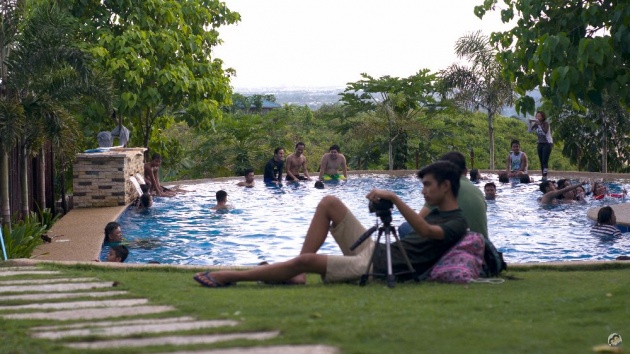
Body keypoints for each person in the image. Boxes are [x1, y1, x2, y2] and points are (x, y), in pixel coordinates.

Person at [193, 161, 468, 287]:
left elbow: (425, 231)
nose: (423, 191)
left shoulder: (456, 222)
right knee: (329, 202)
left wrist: (393, 197)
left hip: (377, 267)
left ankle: (230, 276)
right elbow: (420, 227)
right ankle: (295, 274)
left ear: (446, 186)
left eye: (428, 186)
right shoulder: (434, 212)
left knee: (307, 261)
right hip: (376, 250)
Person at [416, 151, 488, 239]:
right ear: (465, 171)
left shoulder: (443, 188)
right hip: (482, 247)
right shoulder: (478, 192)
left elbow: (418, 222)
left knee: (405, 227)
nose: (423, 191)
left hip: (456, 247)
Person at [529, 111, 553, 180]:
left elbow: (544, 132)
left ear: (543, 117)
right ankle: (543, 175)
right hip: (540, 143)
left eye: (539, 116)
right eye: (536, 116)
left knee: (544, 160)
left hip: (547, 143)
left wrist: (539, 125)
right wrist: (530, 123)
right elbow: (530, 131)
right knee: (541, 160)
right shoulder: (536, 124)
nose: (537, 117)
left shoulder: (546, 124)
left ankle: (545, 176)